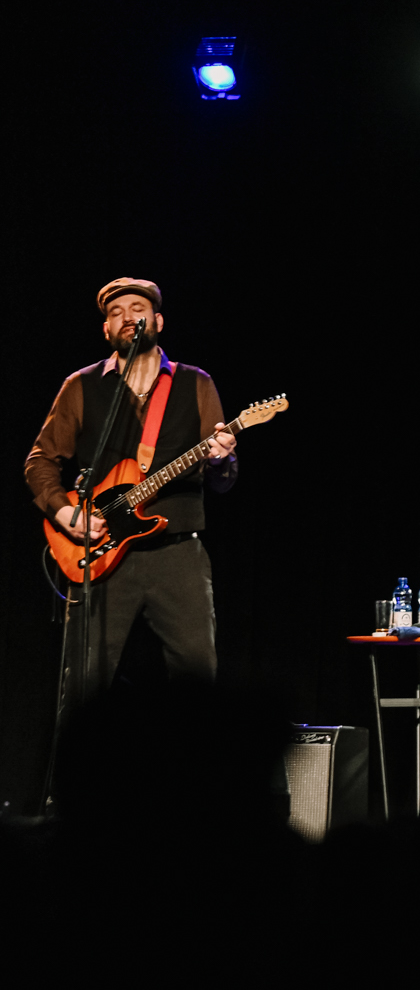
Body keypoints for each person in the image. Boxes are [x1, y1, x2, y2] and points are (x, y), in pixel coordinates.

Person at [26, 278, 240, 720]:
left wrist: (221, 460)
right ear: (106, 329)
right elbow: (41, 460)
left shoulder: (196, 383)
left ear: (157, 320)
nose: (128, 317)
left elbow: (221, 481)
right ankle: (75, 768)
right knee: (84, 686)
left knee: (197, 678)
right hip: (100, 557)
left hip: (177, 554)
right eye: (116, 312)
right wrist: (64, 511)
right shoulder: (81, 385)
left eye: (137, 309)